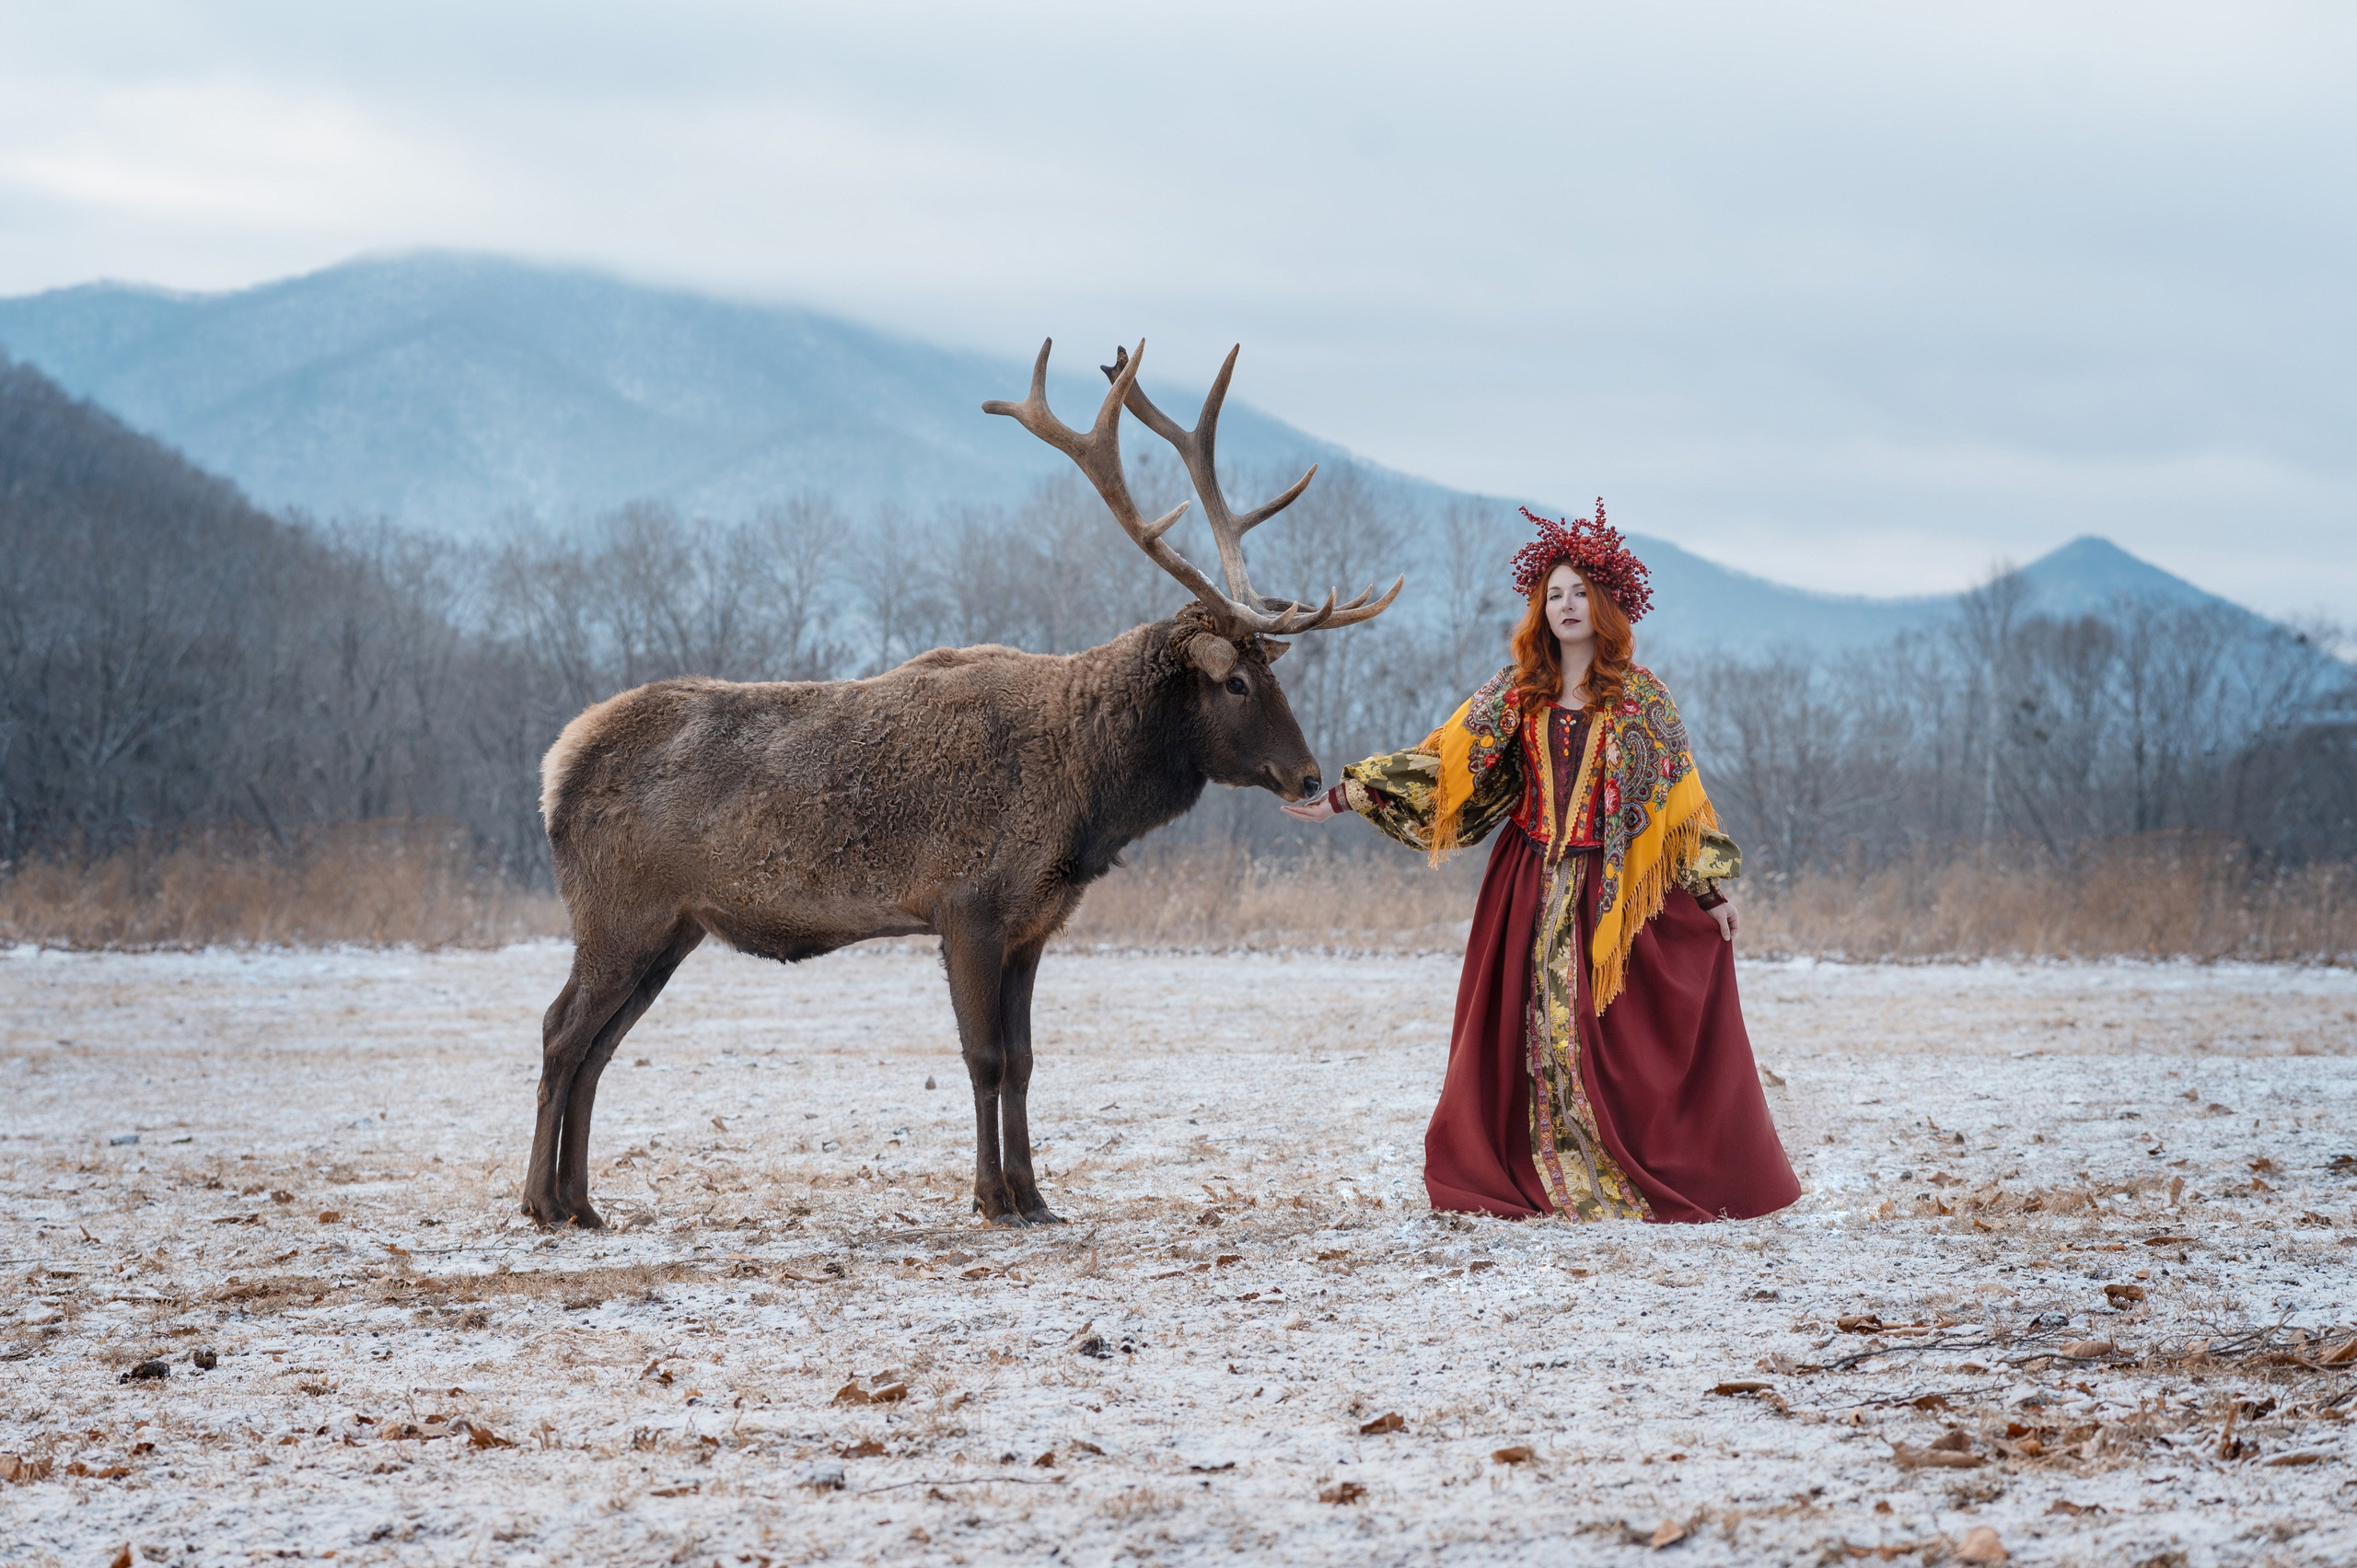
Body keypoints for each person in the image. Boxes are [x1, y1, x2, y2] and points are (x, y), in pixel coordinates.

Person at [1282, 503, 1800, 1223]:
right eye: (1553, 594)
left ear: (1605, 603)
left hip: (1609, 896)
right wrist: (1348, 793)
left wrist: (1711, 896)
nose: (1565, 606)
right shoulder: (1516, 692)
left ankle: (1620, 1169)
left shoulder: (1644, 700)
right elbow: (1441, 766)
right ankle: (1532, 1167)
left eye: (1578, 592)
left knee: (1606, 1037)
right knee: (1524, 1032)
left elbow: (1675, 814)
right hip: (1526, 888)